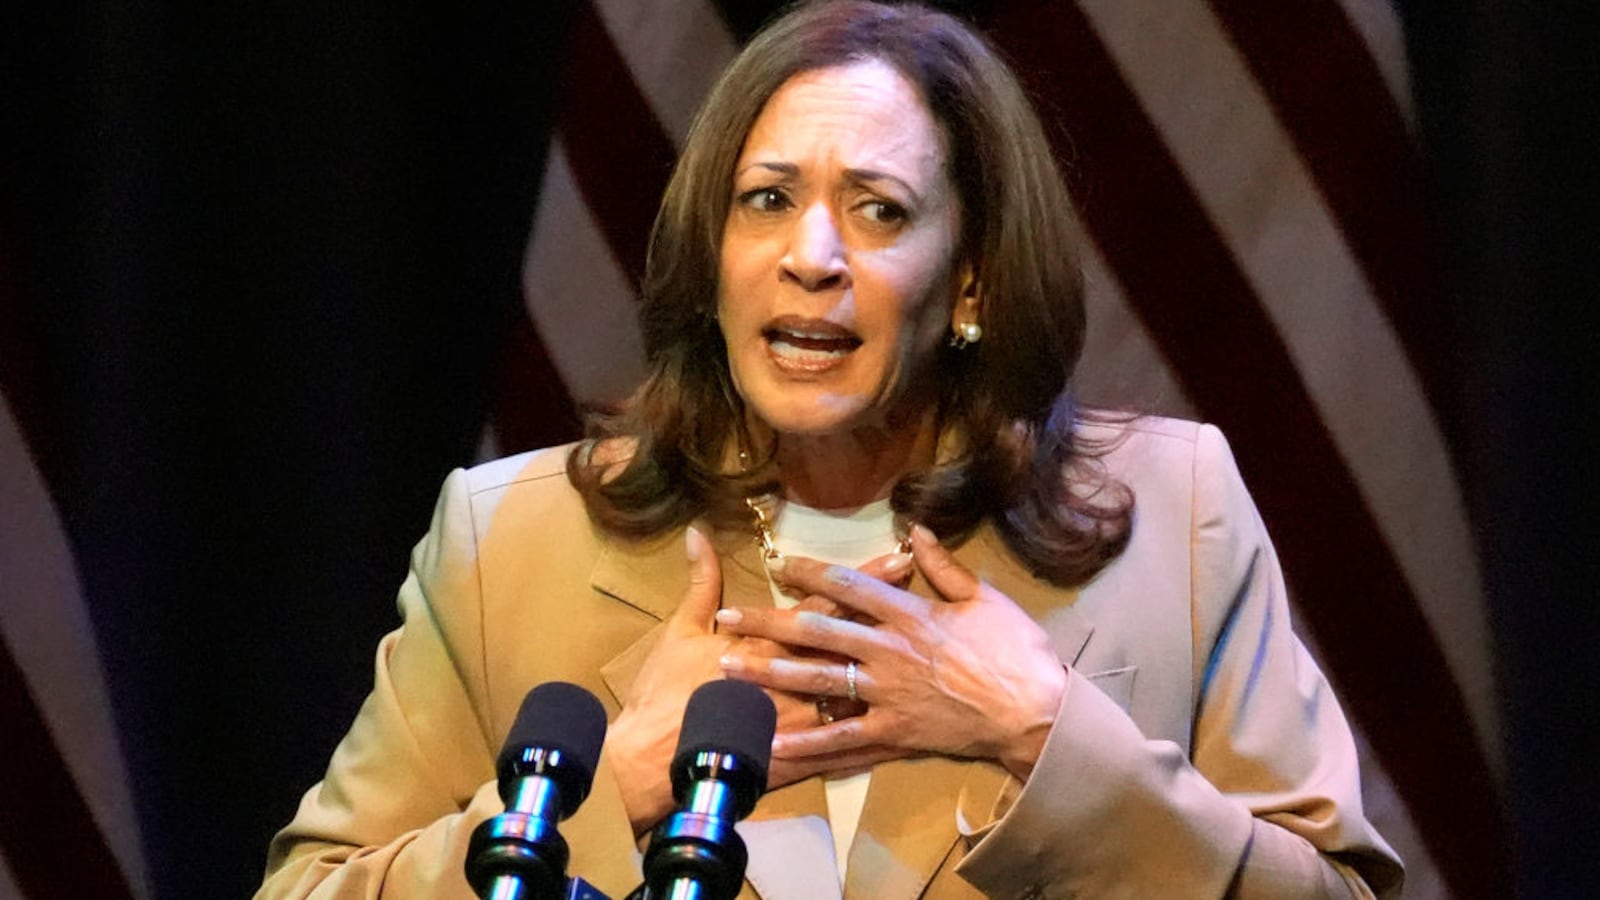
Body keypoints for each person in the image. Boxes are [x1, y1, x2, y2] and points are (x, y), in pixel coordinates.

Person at [257, 2, 1403, 898]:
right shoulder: (511, 541)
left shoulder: (1172, 514)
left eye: (878, 210)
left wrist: (1044, 734)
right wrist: (612, 789)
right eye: (765, 201)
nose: (811, 254)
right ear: (714, 259)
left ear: (969, 281)